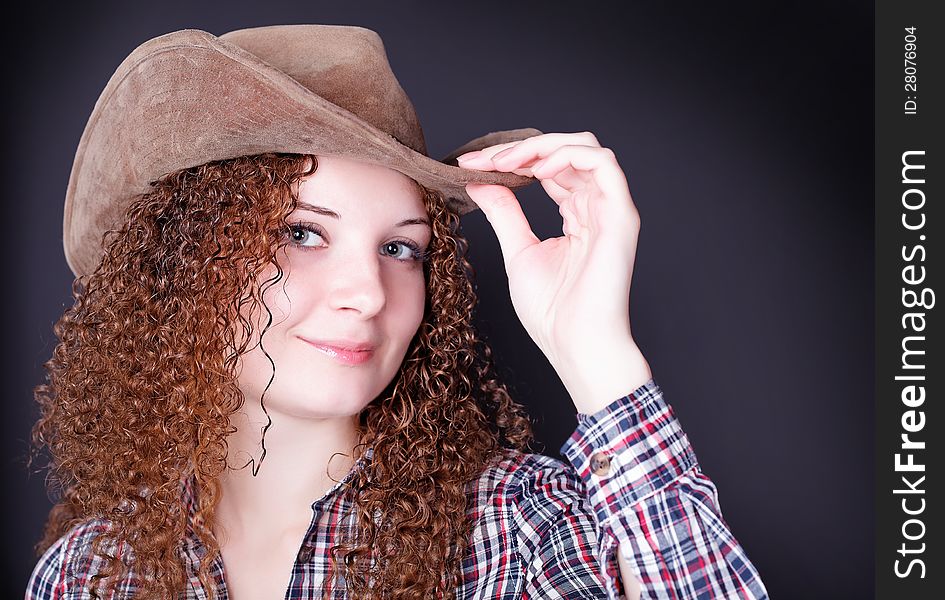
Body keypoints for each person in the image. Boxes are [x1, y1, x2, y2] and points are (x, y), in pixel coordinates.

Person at [26, 25, 769, 599]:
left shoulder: (511, 526)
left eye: (401, 249)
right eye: (301, 234)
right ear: (188, 262)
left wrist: (597, 356)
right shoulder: (93, 571)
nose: (370, 293)